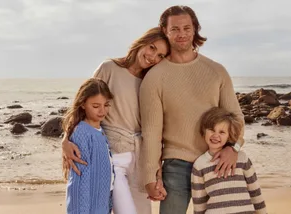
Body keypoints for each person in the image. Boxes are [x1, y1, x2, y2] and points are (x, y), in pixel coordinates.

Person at [139, 5, 246, 213]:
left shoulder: (216, 71)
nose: (182, 34)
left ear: (195, 29)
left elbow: (236, 117)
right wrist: (149, 175)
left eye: (187, 28)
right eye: (175, 29)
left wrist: (234, 148)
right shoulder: (154, 78)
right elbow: (151, 133)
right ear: (165, 31)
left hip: (216, 162)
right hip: (176, 167)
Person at [62, 27, 170, 214]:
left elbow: (155, 128)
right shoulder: (109, 69)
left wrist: (156, 169)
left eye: (160, 55)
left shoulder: (152, 81)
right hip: (112, 154)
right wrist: (66, 139)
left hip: (140, 157)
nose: (153, 57)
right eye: (152, 48)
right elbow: (84, 101)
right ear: (142, 42)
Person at [191, 107, 266, 214]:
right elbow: (199, 201)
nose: (215, 135)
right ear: (204, 131)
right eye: (212, 130)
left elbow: (255, 192)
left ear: (229, 136)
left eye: (222, 132)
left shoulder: (242, 158)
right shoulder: (200, 164)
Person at [63, 78, 115, 214]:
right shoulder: (82, 133)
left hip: (101, 205)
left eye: (106, 105)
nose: (102, 111)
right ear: (83, 104)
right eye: (96, 106)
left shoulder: (100, 131)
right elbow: (81, 178)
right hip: (87, 207)